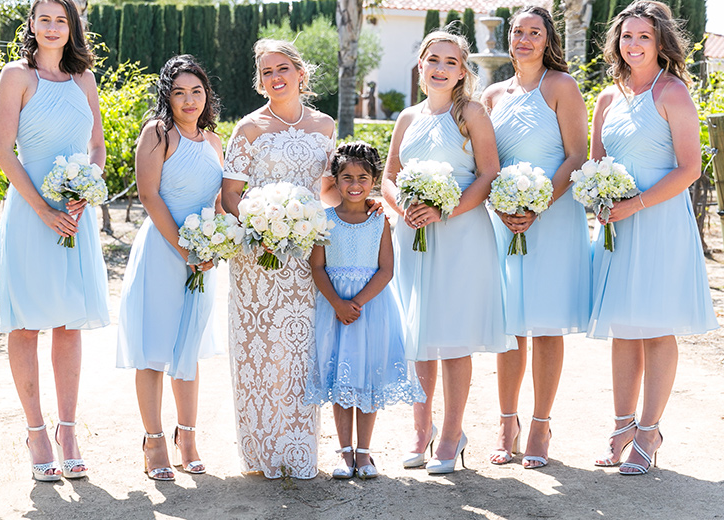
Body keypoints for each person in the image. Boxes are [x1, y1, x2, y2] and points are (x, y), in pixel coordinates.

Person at [588, 0, 718, 475]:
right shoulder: (606, 99)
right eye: (627, 36)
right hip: (616, 227)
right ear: (616, 43)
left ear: (660, 42)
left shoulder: (673, 94)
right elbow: (595, 164)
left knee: (656, 327)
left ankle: (649, 430)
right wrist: (598, 200)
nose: (634, 44)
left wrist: (634, 204)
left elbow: (689, 168)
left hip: (658, 222)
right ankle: (622, 425)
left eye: (644, 36)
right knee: (624, 326)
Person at [381, 29, 515, 475]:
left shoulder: (471, 114)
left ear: (462, 72)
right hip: (413, 235)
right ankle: (421, 430)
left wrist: (445, 210)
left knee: (454, 337)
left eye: (450, 62)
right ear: (421, 66)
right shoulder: (406, 118)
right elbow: (388, 176)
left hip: (460, 234)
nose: (440, 68)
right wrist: (406, 209)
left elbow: (489, 172)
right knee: (417, 336)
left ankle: (453, 434)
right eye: (432, 60)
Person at [0, 0, 109, 481]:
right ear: (33, 25)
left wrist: (88, 188)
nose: (53, 27)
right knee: (25, 324)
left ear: (72, 28)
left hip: (75, 219)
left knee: (68, 322)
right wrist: (42, 209)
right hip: (32, 217)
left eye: (62, 20)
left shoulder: (85, 79)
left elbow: (98, 146)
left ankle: (68, 430)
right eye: (45, 19)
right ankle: (36, 431)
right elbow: (4, 152)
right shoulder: (17, 77)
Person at [220, 39, 337, 479]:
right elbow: (230, 194)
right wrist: (261, 229)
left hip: (305, 255)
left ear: (300, 73)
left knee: (297, 351)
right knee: (257, 351)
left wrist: (350, 207)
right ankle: (262, 453)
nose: (276, 78)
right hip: (258, 256)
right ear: (260, 80)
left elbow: (325, 189)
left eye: (283, 68)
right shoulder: (249, 129)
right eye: (267, 72)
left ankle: (297, 450)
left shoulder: (325, 126)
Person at [481, 6, 591, 469]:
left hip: (553, 216)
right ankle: (508, 425)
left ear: (548, 41)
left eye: (534, 32)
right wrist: (502, 204)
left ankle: (541, 425)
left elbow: (576, 154)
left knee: (544, 324)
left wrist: (538, 203)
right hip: (503, 219)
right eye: (517, 32)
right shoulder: (491, 95)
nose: (524, 39)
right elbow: (484, 164)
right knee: (509, 325)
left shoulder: (561, 87)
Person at [116, 55, 225, 481]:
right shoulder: (157, 133)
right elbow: (149, 196)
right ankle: (154, 440)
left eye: (196, 91)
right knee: (153, 350)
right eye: (179, 92)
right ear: (168, 96)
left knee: (189, 348)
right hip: (165, 251)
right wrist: (185, 248)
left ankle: (189, 437)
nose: (189, 100)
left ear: (206, 95)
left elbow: (218, 199)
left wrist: (219, 240)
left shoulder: (215, 141)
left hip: (204, 256)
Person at [305, 142, 425, 480]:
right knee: (342, 379)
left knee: (367, 379)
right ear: (336, 180)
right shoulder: (325, 220)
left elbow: (386, 269)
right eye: (346, 177)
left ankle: (365, 453)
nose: (354, 185)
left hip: (370, 309)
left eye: (362, 177)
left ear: (373, 180)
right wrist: (338, 304)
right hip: (335, 308)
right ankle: (344, 454)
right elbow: (317, 268)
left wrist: (356, 303)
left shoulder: (379, 221)